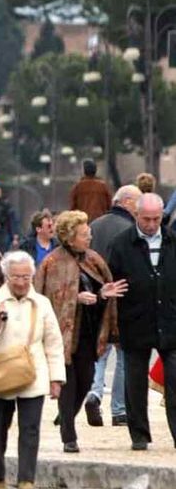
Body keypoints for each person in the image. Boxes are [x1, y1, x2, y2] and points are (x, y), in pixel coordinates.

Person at [0, 251, 65, 489]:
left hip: (33, 374)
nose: (22, 282)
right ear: (6, 276)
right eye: (16, 277)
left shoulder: (41, 303)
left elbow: (53, 342)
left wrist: (56, 378)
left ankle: (26, 481)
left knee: (30, 428)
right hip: (0, 374)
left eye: (26, 276)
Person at [34, 211, 125, 453]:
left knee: (86, 381)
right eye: (85, 234)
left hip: (88, 333)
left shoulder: (93, 259)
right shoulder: (52, 263)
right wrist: (75, 298)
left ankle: (65, 417)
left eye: (89, 233)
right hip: (61, 336)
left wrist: (102, 295)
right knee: (68, 383)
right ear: (70, 236)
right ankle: (69, 437)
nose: (90, 237)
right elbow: (44, 298)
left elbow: (102, 292)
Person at [106, 193, 176, 451]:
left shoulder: (171, 240)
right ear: (136, 216)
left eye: (156, 218)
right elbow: (109, 278)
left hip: (170, 322)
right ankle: (139, 435)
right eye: (146, 219)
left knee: (175, 380)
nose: (151, 224)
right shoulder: (121, 244)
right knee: (134, 383)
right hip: (134, 321)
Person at [84, 184, 142, 427]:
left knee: (100, 350)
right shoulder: (132, 230)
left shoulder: (94, 226)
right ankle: (119, 409)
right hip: (123, 299)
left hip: (98, 297)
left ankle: (94, 393)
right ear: (127, 202)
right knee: (123, 355)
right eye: (137, 204)